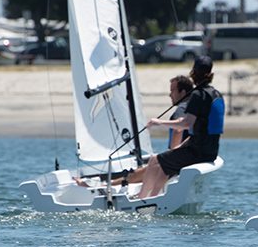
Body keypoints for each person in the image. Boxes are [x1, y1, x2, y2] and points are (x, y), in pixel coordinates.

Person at [73, 75, 193, 187]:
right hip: (185, 158)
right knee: (143, 172)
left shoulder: (182, 107)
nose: (170, 95)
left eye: (172, 91)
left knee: (135, 176)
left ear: (182, 93)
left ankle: (98, 187)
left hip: (175, 160)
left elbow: (179, 128)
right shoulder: (193, 107)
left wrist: (171, 153)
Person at [135, 55, 224, 199]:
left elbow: (186, 124)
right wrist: (179, 147)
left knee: (153, 160)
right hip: (211, 150)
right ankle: (154, 197)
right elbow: (202, 129)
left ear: (193, 73)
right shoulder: (216, 94)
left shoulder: (197, 94)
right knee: (166, 164)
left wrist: (159, 122)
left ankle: (141, 199)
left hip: (197, 152)